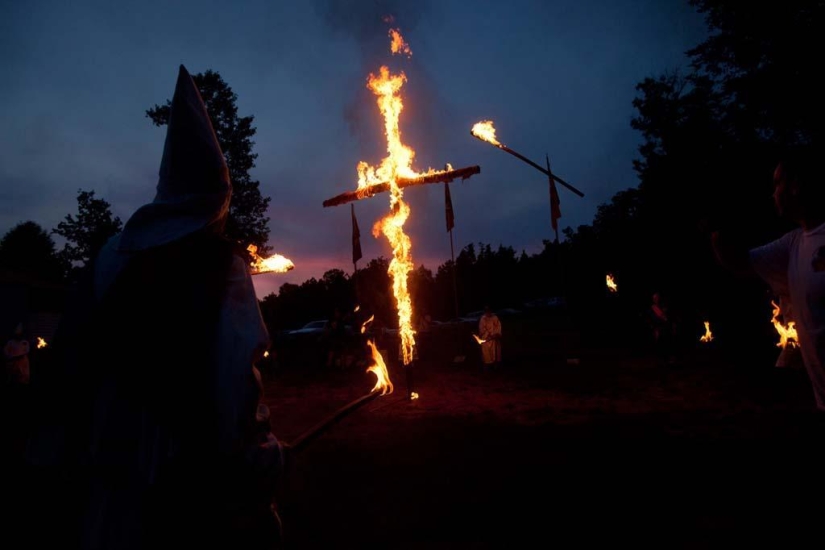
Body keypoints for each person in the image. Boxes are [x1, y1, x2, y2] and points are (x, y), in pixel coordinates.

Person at [22, 65, 288, 549]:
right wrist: (263, 460)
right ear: (216, 198)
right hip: (183, 499)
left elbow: (64, 377)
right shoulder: (218, 266)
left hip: (104, 494)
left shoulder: (107, 259)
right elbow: (235, 396)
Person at [710, 144, 825, 411]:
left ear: (795, 186)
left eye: (777, 184)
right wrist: (717, 227)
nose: (773, 193)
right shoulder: (793, 244)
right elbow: (739, 262)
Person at [649, 292, 676, 366]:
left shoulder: (663, 306)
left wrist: (672, 325)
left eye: (657, 298)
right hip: (658, 328)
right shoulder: (653, 308)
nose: (656, 299)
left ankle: (669, 359)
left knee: (668, 342)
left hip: (665, 328)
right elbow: (652, 319)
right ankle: (661, 360)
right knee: (659, 344)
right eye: (654, 298)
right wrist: (655, 329)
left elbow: (668, 317)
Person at [4, 322, 30, 386]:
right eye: (18, 335)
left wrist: (20, 357)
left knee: (22, 378)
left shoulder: (24, 342)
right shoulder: (10, 342)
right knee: (12, 377)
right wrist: (11, 357)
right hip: (12, 362)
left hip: (22, 362)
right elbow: (6, 351)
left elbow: (27, 351)